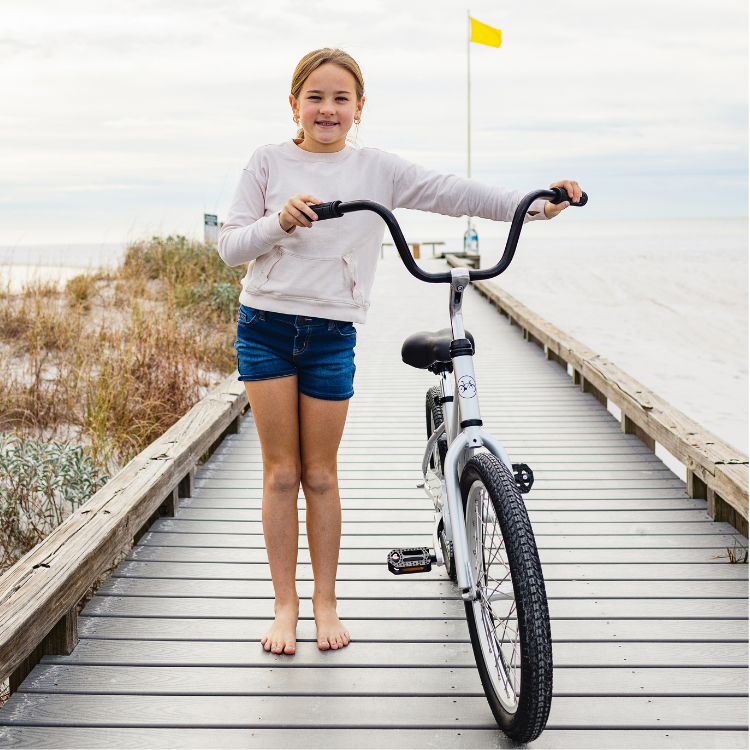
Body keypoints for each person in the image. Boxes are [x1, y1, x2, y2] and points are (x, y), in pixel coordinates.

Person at [218, 47, 582, 656]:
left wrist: (538, 203)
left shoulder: (378, 169)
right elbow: (230, 247)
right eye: (315, 97)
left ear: (359, 108)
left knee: (320, 474)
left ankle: (326, 602)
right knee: (281, 473)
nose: (327, 109)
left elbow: (455, 192)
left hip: (332, 332)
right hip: (267, 324)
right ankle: (286, 607)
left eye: (340, 99)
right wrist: (277, 223)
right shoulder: (266, 162)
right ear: (294, 104)